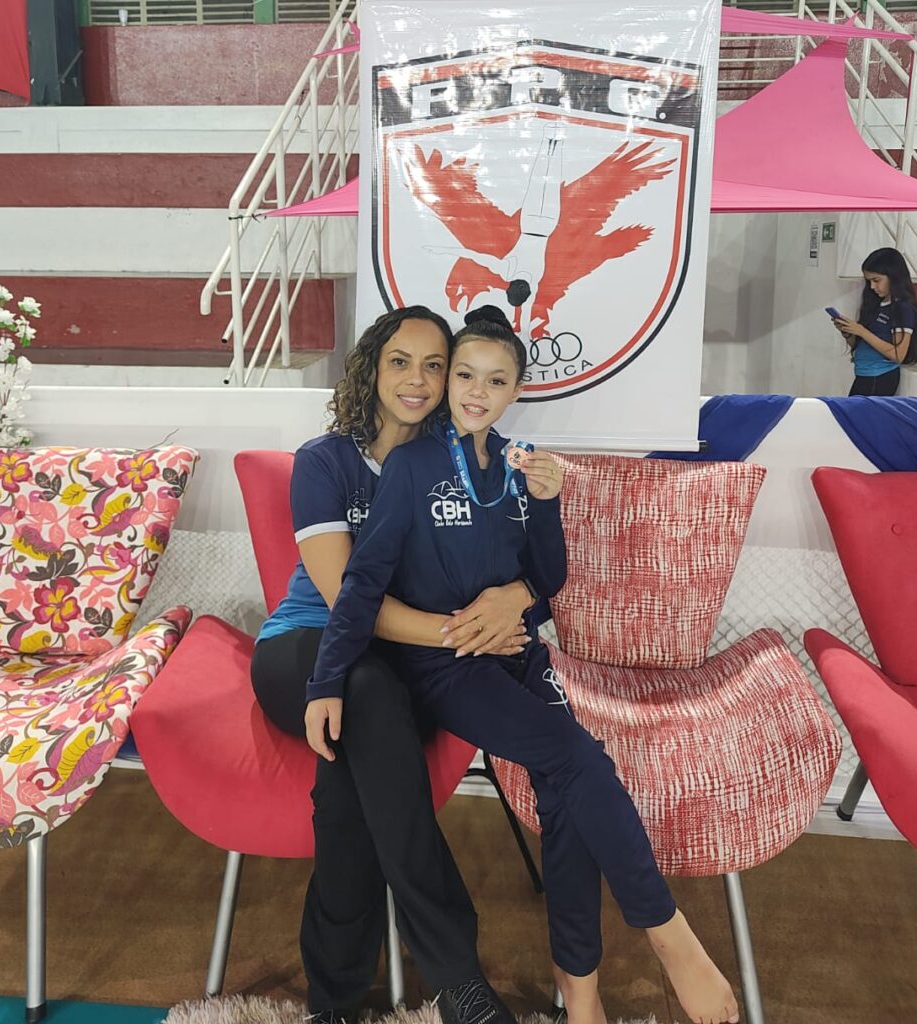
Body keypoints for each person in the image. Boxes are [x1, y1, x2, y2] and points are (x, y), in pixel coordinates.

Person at [306, 306, 740, 1024]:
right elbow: (362, 584)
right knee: (579, 758)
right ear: (449, 383)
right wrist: (326, 679)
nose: (476, 392)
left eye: (495, 380)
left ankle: (581, 986)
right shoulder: (411, 467)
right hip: (447, 667)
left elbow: (547, 577)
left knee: (567, 791)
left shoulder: (520, 465)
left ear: (515, 390)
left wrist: (544, 509)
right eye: (464, 375)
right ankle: (668, 933)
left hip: (518, 655)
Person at [251, 305, 536, 1024]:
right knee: (371, 692)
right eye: (400, 361)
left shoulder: (457, 462)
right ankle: (458, 981)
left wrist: (512, 601)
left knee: (347, 797)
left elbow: (511, 558)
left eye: (434, 365)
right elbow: (349, 600)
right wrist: (463, 634)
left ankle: (333, 1004)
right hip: (308, 647)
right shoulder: (326, 460)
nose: (417, 379)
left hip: (404, 664)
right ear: (372, 368)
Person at [833, 247, 917, 396]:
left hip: (879, 377)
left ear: (894, 276)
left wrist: (862, 331)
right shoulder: (876, 304)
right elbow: (863, 345)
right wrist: (848, 332)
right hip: (863, 374)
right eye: (869, 281)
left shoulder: (902, 308)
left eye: (876, 280)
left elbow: (898, 355)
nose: (872, 286)